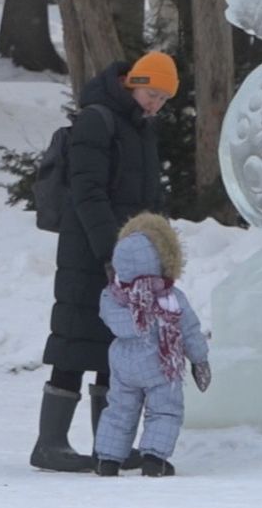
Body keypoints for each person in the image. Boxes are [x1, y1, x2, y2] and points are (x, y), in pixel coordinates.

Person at [29, 52, 175, 473]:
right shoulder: (98, 120)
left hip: (130, 252)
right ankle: (49, 444)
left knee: (119, 346)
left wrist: (158, 244)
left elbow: (150, 197)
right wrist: (111, 252)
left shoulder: (140, 127)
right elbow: (88, 192)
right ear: (133, 82)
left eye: (164, 99)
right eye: (152, 94)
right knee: (75, 342)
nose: (156, 104)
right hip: (89, 250)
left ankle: (108, 444)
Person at [93, 214, 210, 477]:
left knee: (120, 410)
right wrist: (199, 360)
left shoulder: (112, 297)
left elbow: (112, 321)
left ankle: (107, 460)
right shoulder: (170, 297)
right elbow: (189, 330)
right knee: (164, 410)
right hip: (160, 362)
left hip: (123, 363)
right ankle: (154, 459)